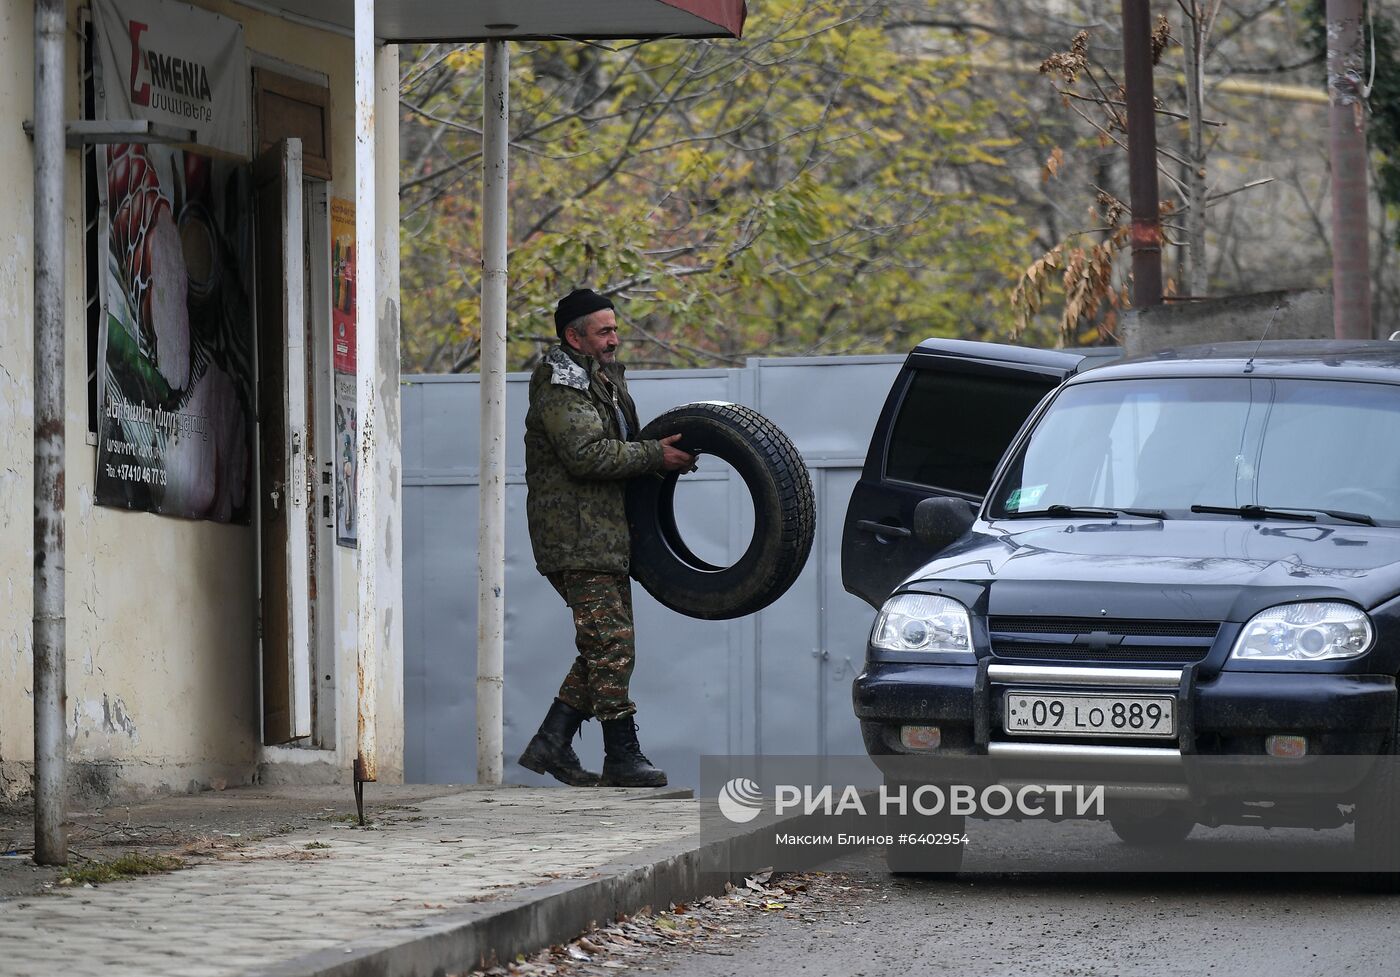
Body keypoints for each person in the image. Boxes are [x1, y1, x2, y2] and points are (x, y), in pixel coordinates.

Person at [518, 288, 694, 788]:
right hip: (575, 535)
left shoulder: (602, 381)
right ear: (575, 336)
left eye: (615, 329)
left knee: (606, 645)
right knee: (611, 642)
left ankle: (552, 741)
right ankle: (622, 753)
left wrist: (668, 457)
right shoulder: (562, 382)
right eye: (604, 331)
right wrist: (652, 456)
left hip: (605, 536)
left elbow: (625, 446)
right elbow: (586, 454)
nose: (615, 339)